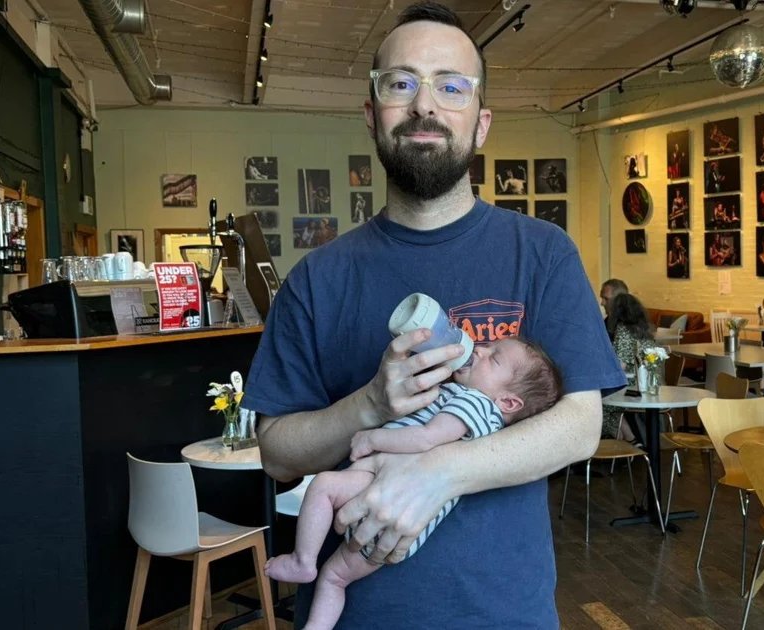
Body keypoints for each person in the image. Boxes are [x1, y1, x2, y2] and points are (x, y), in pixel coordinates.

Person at [243, 4, 624, 628]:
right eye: (401, 83)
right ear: (372, 115)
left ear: (481, 124)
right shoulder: (316, 278)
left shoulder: (542, 252)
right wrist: (369, 405)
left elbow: (580, 425)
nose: (425, 104)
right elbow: (277, 453)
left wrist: (439, 473)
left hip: (503, 614)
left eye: (451, 86)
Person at [264, 338, 562, 630]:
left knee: (324, 486)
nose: (480, 349)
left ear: (508, 402)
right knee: (334, 578)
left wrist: (372, 439)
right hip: (396, 524)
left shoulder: (476, 403)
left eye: (493, 358)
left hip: (381, 489)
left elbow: (425, 438)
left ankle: (303, 560)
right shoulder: (473, 406)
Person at [601, 293, 652, 442]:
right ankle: (627, 442)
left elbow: (620, 366)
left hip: (632, 386)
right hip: (649, 384)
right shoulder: (644, 330)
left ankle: (627, 441)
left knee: (601, 403)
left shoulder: (623, 331)